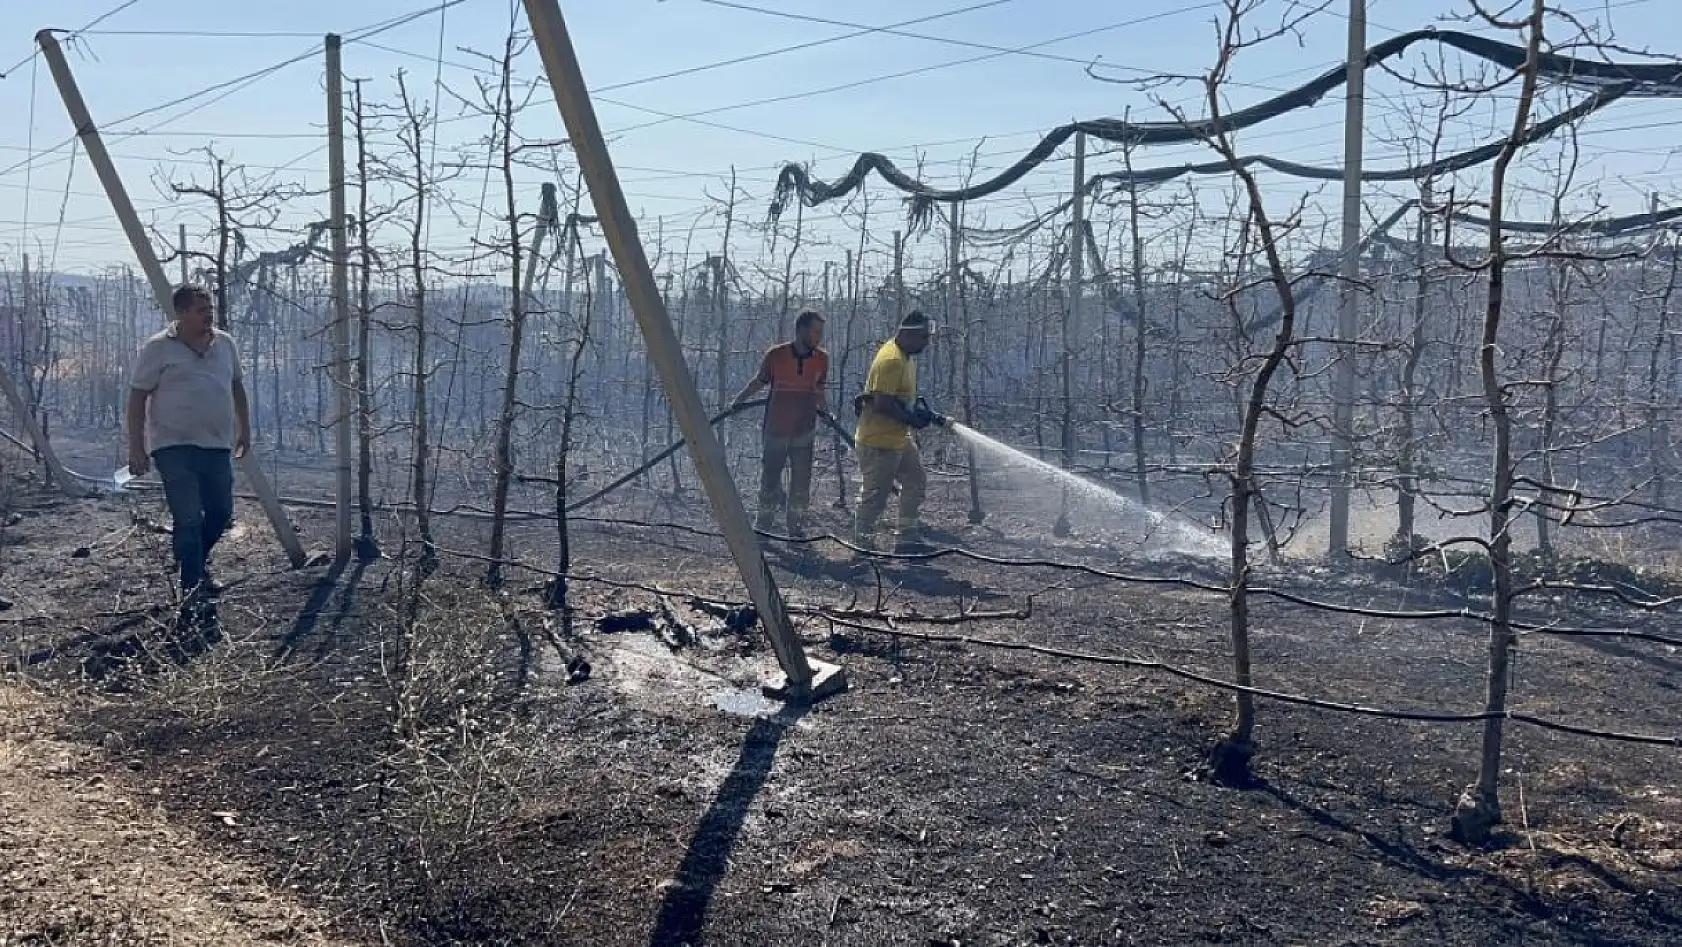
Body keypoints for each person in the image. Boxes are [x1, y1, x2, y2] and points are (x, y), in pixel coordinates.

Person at [126, 283, 251, 600]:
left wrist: (244, 429)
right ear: (180, 314)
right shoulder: (158, 348)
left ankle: (190, 559)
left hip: (217, 444)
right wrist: (137, 446)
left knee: (221, 512)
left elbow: (237, 386)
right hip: (173, 445)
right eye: (200, 310)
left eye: (210, 309)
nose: (208, 315)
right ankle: (192, 588)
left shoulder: (225, 344)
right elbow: (138, 396)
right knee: (189, 516)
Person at [853, 310, 947, 552]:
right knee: (875, 496)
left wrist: (917, 413)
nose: (927, 343)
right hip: (879, 442)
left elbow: (898, 397)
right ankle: (863, 544)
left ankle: (907, 537)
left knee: (916, 480)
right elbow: (883, 403)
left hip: (897, 439)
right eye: (923, 337)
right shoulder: (892, 360)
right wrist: (912, 420)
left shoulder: (906, 358)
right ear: (907, 334)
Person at [731, 309, 831, 535]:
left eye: (821, 332)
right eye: (816, 331)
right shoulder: (776, 355)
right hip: (776, 429)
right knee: (769, 482)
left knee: (801, 485)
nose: (819, 336)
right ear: (801, 330)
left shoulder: (822, 359)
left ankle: (795, 529)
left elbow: (819, 390)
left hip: (804, 430)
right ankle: (763, 528)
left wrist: (826, 412)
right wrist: (739, 400)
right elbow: (760, 381)